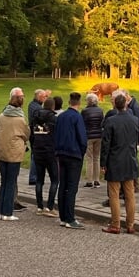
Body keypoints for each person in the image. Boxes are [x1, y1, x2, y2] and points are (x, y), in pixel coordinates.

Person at [100, 93, 139, 233]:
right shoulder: (135, 120)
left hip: (114, 160)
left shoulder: (111, 121)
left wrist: (103, 163)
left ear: (114, 105)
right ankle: (131, 224)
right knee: (130, 194)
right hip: (130, 159)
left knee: (114, 194)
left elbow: (105, 144)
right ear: (126, 104)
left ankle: (115, 224)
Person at [0, 87, 30, 221]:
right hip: (14, 153)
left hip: (2, 151)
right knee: (10, 182)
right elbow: (26, 134)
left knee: (4, 182)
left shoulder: (2, 115)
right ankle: (8, 212)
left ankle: (1, 211)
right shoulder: (20, 119)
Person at [53, 92, 87, 229]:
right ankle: (70, 217)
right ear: (79, 103)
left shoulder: (60, 117)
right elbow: (82, 138)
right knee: (72, 187)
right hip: (74, 155)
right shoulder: (77, 117)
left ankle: (63, 216)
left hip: (61, 153)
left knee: (63, 185)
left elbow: (55, 133)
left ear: (69, 102)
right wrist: (81, 152)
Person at [31, 96, 59, 217]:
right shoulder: (54, 118)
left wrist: (34, 147)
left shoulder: (35, 118)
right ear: (52, 106)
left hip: (37, 151)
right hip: (50, 152)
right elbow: (57, 135)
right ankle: (50, 207)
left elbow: (31, 134)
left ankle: (39, 206)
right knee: (54, 179)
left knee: (39, 180)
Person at [81, 92, 104, 188]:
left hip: (89, 136)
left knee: (89, 158)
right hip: (99, 135)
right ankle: (97, 180)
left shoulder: (84, 111)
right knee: (97, 157)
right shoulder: (100, 110)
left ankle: (89, 180)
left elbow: (81, 123)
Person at [27, 88, 49, 184]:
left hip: (32, 133)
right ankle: (33, 177)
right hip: (36, 134)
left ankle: (34, 176)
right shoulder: (38, 108)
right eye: (44, 97)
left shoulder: (32, 105)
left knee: (34, 154)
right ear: (39, 97)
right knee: (35, 156)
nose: (46, 99)